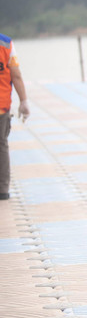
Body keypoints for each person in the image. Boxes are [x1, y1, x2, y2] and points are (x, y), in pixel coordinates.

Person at [0, 33, 29, 201]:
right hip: (1, 105)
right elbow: (16, 75)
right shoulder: (6, 43)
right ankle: (2, 189)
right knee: (1, 146)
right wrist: (23, 101)